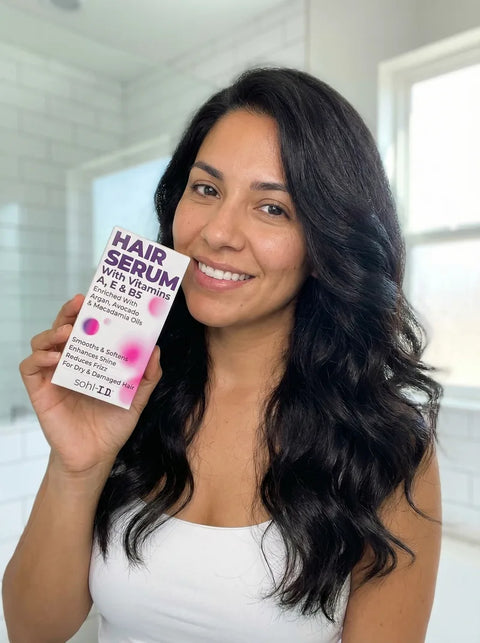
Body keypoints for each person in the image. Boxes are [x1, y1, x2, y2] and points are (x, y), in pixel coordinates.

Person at [2, 67, 442, 643]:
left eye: (272, 208)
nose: (216, 233)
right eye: (206, 190)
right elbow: (33, 631)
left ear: (326, 242)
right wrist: (76, 466)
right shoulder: (130, 388)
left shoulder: (387, 445)